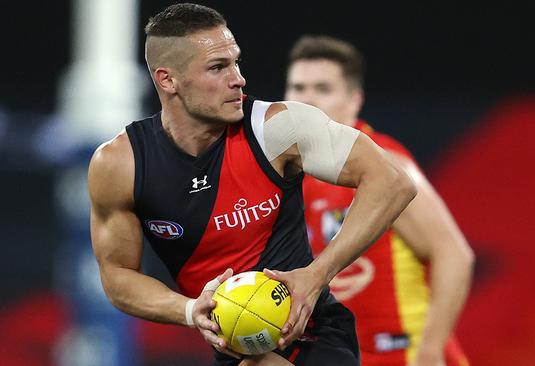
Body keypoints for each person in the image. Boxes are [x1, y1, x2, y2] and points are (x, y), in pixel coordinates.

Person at [87, 4, 416, 366]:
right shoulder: (122, 164)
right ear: (168, 80)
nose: (238, 78)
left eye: (236, 62)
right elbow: (118, 275)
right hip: (237, 347)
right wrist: (190, 309)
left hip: (312, 331)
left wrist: (316, 275)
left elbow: (392, 181)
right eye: (218, 67)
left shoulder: (277, 129)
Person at [284, 35, 474, 366]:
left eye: (323, 88)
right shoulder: (289, 173)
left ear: (355, 100)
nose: (307, 99)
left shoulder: (385, 167)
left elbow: (454, 255)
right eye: (298, 88)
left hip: (405, 355)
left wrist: (431, 350)